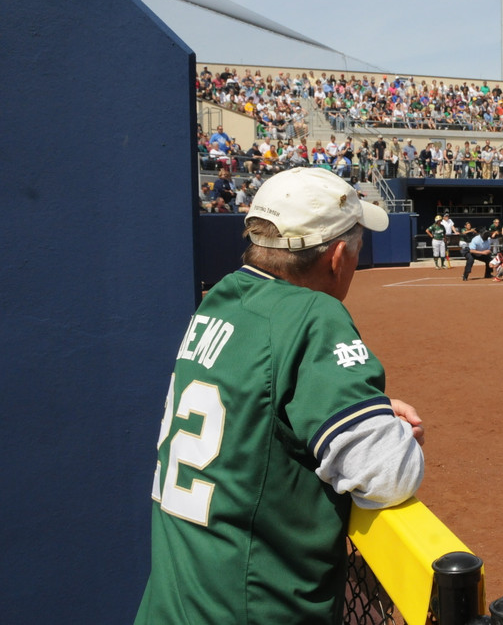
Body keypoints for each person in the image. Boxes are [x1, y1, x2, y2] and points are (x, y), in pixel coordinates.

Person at [135, 167, 425, 624]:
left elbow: (253, 394)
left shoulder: (222, 297)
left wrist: (347, 406)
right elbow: (387, 474)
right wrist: (396, 431)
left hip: (173, 605)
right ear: (337, 257)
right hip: (253, 610)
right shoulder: (312, 314)